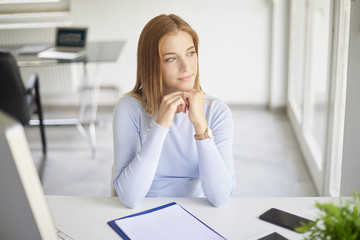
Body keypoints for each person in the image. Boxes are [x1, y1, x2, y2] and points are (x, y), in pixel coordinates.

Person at [113, 14, 236, 209]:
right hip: (144, 210)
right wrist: (161, 126)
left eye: (190, 53)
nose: (186, 67)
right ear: (151, 64)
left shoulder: (216, 111)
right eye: (171, 59)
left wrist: (200, 127)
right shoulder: (129, 108)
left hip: (199, 212)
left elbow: (220, 197)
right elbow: (129, 197)